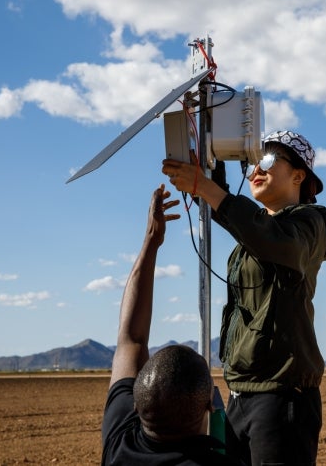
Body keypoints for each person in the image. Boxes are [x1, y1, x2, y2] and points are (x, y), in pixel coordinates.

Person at [162, 130, 326, 465]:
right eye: (252, 163)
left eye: (268, 161)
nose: (256, 170)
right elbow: (242, 219)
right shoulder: (255, 231)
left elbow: (271, 238)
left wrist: (210, 189)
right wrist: (209, 169)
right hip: (242, 395)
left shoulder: (311, 224)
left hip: (281, 395)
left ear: (298, 175)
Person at [101, 184, 242, 466]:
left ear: (137, 406)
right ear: (209, 407)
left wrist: (151, 240)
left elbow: (130, 339)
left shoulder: (119, 443)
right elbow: (133, 340)